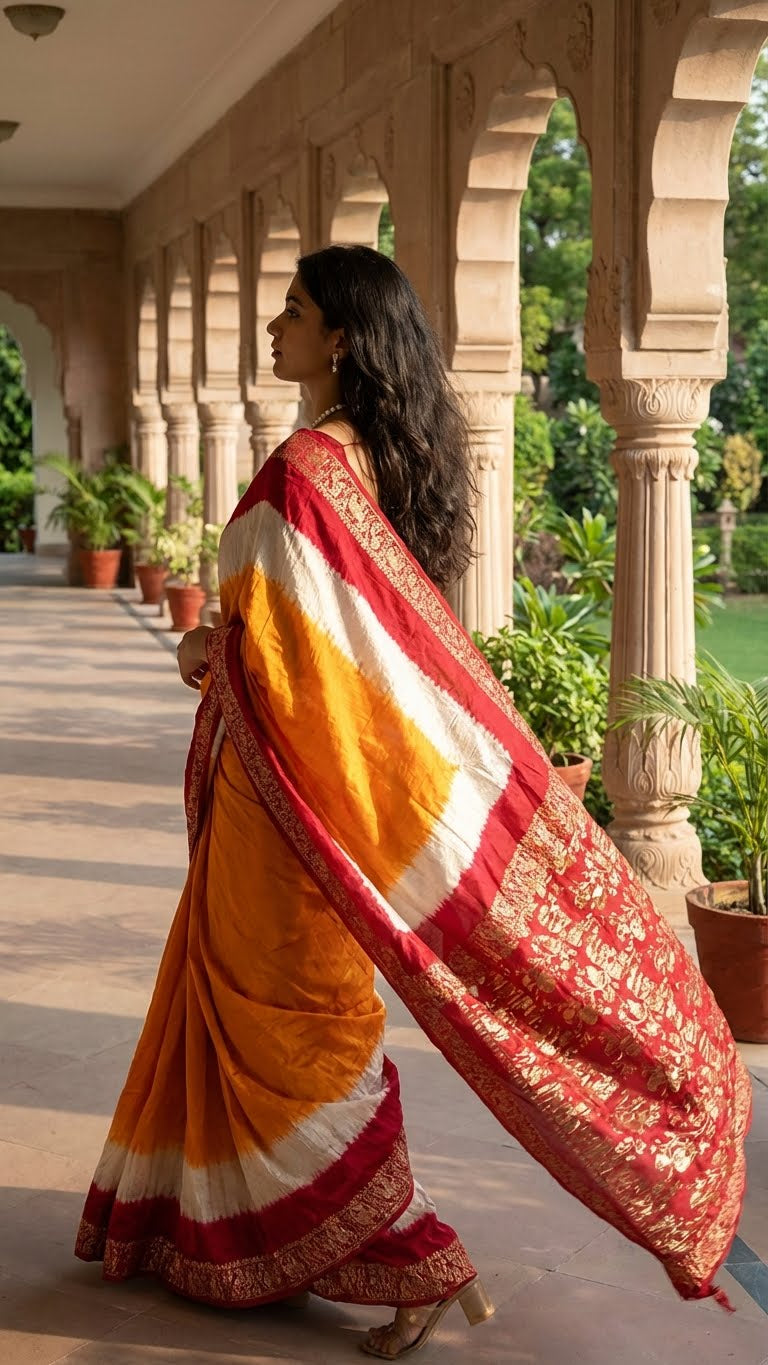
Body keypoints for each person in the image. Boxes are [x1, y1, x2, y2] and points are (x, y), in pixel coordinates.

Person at [76, 246, 751, 1358]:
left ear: (340, 336)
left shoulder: (306, 472)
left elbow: (300, 659)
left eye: (291, 313)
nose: (273, 331)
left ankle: (412, 1261)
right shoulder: (369, 468)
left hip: (286, 803)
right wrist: (226, 648)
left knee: (282, 1028)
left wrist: (204, 646)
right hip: (316, 801)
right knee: (282, 1017)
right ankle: (216, 1232)